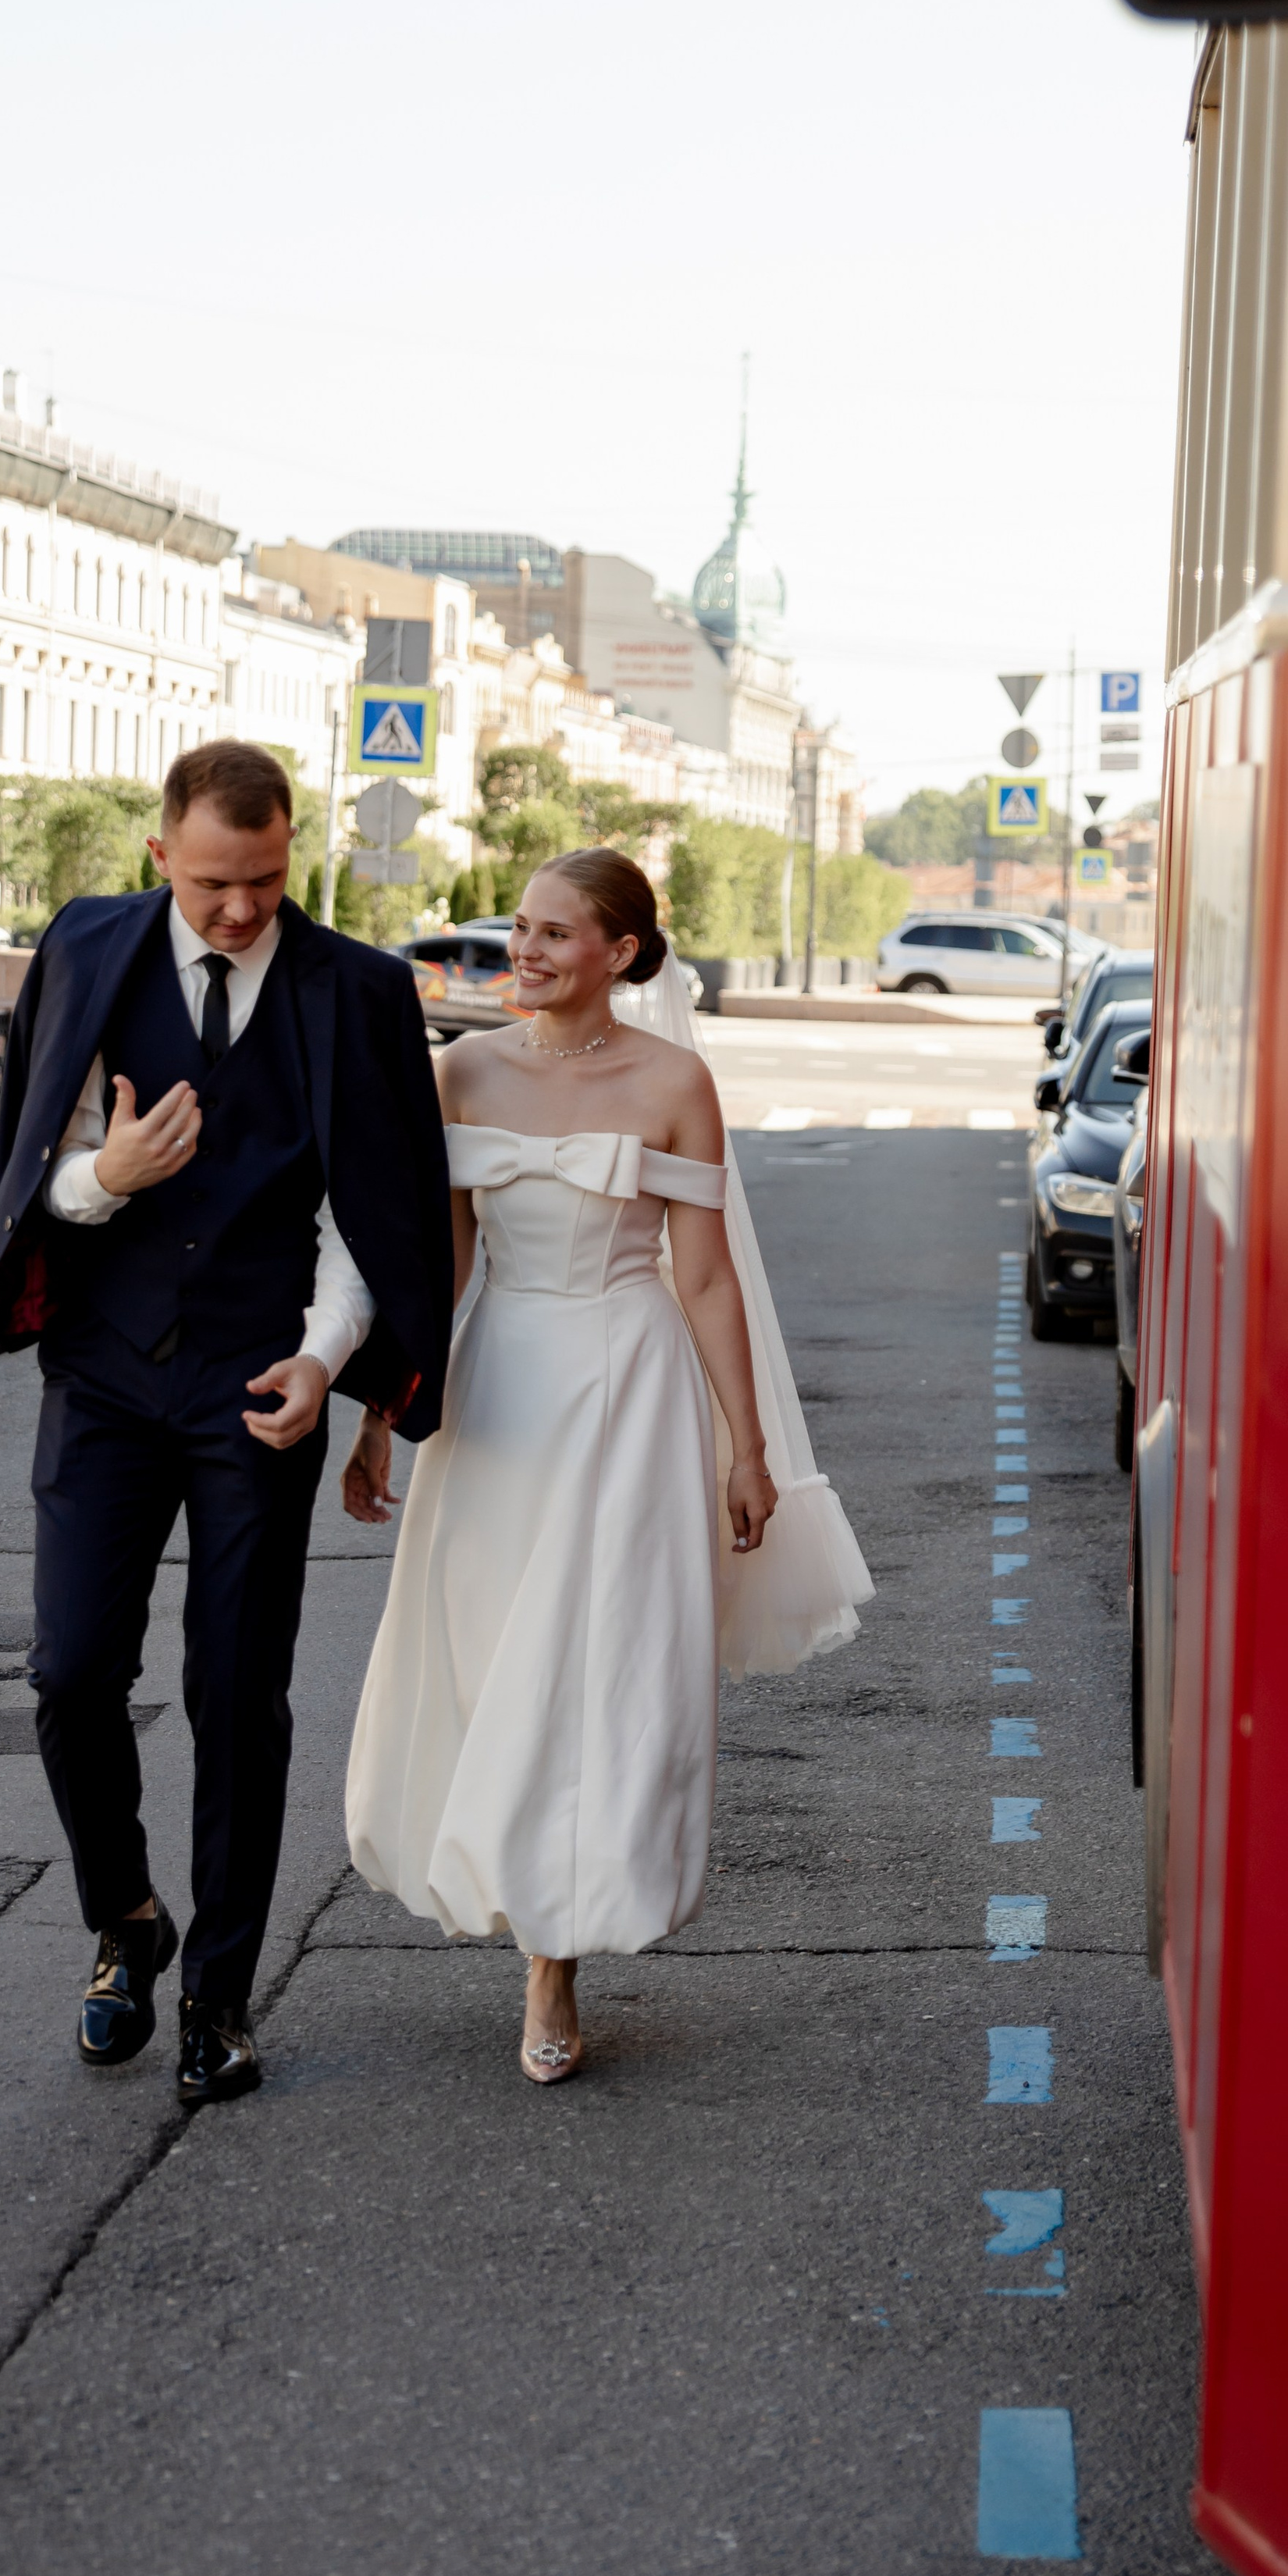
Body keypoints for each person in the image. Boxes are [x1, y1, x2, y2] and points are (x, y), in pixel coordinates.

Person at [0, 741, 452, 2097]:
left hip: (259, 1381)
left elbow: (376, 1211)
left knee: (239, 1695)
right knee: (69, 1674)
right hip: (107, 1375)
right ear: (160, 853)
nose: (244, 909)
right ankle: (127, 1924)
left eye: (270, 879)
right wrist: (103, 1179)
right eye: (219, 881)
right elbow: (28, 1160)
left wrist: (326, 1360)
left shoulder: (357, 989)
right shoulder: (85, 947)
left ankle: (221, 1999)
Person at [341, 848, 872, 2084]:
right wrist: (384, 1413)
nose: (523, 952)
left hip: (630, 1389)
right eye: (519, 930)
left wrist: (750, 1449)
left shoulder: (677, 1081)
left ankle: (556, 1959)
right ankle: (515, 1886)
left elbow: (703, 1276)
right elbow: (443, 1262)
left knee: (594, 1662)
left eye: (554, 936)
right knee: (485, 1649)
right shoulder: (462, 1069)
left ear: (622, 954)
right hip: (498, 1387)